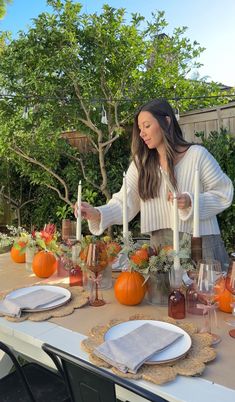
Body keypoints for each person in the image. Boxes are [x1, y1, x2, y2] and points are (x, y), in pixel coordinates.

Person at [75, 99, 234, 269]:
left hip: (202, 244)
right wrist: (96, 213)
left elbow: (224, 192)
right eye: (140, 128)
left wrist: (190, 201)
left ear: (166, 121)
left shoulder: (198, 155)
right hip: (160, 250)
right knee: (164, 296)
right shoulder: (141, 164)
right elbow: (124, 203)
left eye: (147, 126)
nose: (142, 133)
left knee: (207, 293)